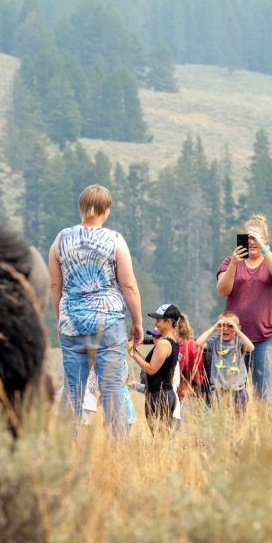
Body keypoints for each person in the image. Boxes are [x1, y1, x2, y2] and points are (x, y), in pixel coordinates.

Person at [49, 184, 143, 437]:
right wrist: (137, 321)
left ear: (82, 207)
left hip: (72, 322)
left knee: (73, 387)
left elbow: (55, 284)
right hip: (109, 322)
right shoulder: (114, 241)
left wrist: (62, 319)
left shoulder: (61, 239)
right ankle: (117, 445)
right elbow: (129, 285)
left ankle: (68, 446)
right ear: (106, 210)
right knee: (111, 387)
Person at [216, 214, 272, 401]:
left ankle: (262, 429)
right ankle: (237, 428)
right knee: (232, 394)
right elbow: (223, 290)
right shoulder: (230, 261)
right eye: (248, 237)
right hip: (234, 338)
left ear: (265, 239)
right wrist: (233, 264)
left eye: (256, 238)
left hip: (266, 338)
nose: (252, 242)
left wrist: (264, 250)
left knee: (264, 395)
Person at [128, 303, 181, 433]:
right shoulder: (171, 342)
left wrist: (132, 353)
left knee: (160, 436)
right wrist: (138, 354)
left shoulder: (163, 343)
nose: (155, 324)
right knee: (161, 435)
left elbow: (151, 369)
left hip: (160, 395)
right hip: (161, 394)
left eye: (158, 320)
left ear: (169, 322)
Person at [196, 310, 255, 414]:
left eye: (230, 326)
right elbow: (198, 343)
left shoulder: (239, 342)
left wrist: (237, 331)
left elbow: (250, 347)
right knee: (218, 420)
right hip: (218, 390)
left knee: (238, 422)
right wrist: (214, 328)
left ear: (237, 328)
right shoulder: (215, 342)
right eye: (222, 325)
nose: (226, 329)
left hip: (237, 390)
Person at [175, 314, 207, 401]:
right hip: (197, 389)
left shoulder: (183, 346)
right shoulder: (190, 342)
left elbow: (174, 370)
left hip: (191, 392)